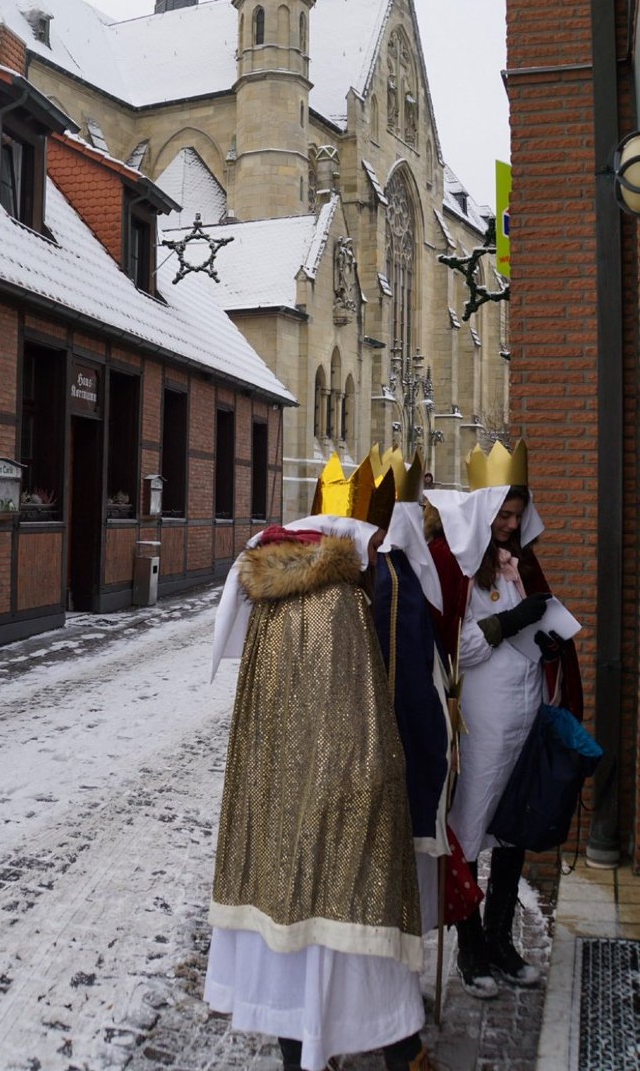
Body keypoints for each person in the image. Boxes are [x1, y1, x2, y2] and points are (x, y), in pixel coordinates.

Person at [204, 472, 435, 1071]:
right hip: (338, 800)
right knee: (343, 930)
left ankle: (300, 1053)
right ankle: (389, 1048)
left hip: (277, 794)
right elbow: (356, 717)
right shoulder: (341, 603)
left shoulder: (273, 599)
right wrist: (384, 779)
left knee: (286, 935)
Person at [423, 441, 582, 1000]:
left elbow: (525, 637)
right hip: (484, 725)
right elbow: (459, 650)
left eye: (518, 515)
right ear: (486, 510)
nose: (512, 526)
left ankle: (501, 942)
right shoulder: (459, 564)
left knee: (514, 828)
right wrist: (509, 620)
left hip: (525, 713)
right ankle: (470, 949)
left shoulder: (519, 565)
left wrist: (549, 643)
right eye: (504, 516)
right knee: (470, 827)